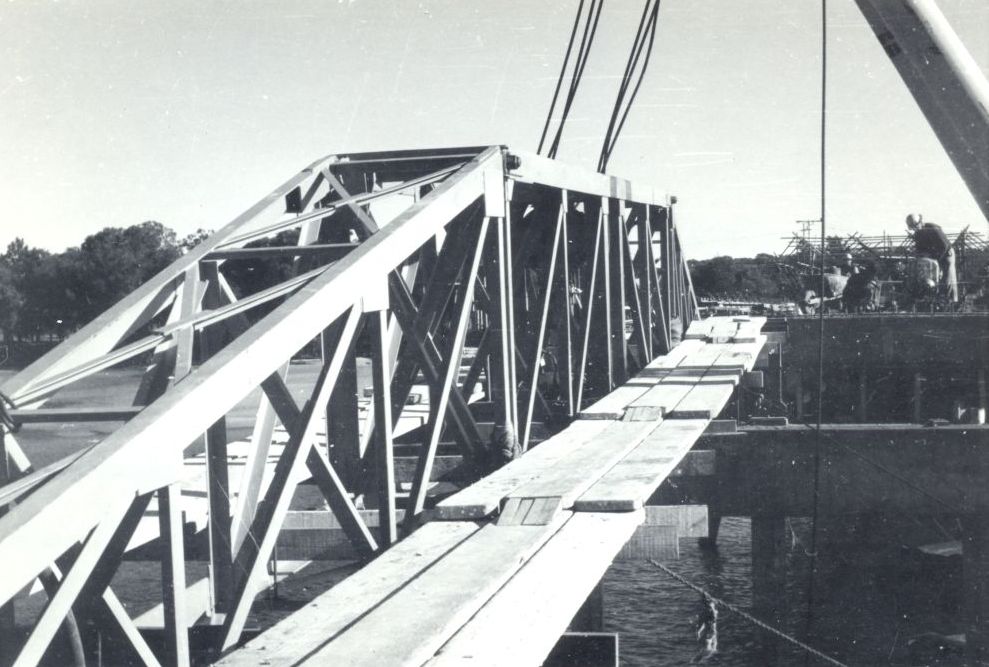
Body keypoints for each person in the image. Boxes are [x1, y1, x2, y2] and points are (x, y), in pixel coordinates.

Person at [906, 213, 958, 302]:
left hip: (946, 254)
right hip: (933, 255)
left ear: (920, 222)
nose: (915, 229)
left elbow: (944, 246)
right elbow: (920, 249)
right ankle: (931, 298)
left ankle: (950, 302)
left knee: (947, 277)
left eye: (916, 226)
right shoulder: (918, 234)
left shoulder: (933, 228)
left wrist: (936, 260)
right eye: (913, 227)